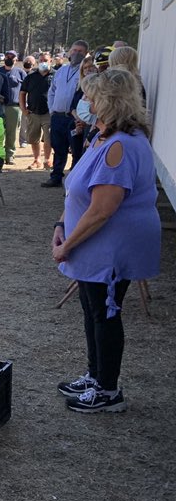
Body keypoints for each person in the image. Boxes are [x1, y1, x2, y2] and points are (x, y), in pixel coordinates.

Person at [52, 69, 160, 413]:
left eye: (91, 97)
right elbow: (80, 189)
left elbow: (102, 210)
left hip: (110, 246)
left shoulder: (121, 146)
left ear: (108, 103)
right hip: (93, 244)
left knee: (105, 313)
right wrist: (61, 224)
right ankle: (95, 374)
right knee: (92, 309)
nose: (86, 103)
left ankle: (108, 390)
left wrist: (67, 246)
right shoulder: (104, 137)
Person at [43, 40, 89, 188]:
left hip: (74, 118)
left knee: (76, 150)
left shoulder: (85, 72)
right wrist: (52, 110)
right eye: (74, 50)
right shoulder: (61, 71)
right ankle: (56, 176)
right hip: (57, 116)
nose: (76, 53)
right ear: (69, 52)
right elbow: (52, 91)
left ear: (86, 53)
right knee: (58, 148)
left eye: (80, 51)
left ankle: (74, 182)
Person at [20, 53, 54, 170]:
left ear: (51, 61)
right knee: (33, 138)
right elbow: (22, 93)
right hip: (33, 113)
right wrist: (23, 109)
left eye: (46, 60)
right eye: (41, 60)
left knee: (48, 138)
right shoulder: (30, 77)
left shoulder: (55, 75)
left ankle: (47, 160)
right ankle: (37, 159)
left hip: (49, 113)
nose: (43, 62)